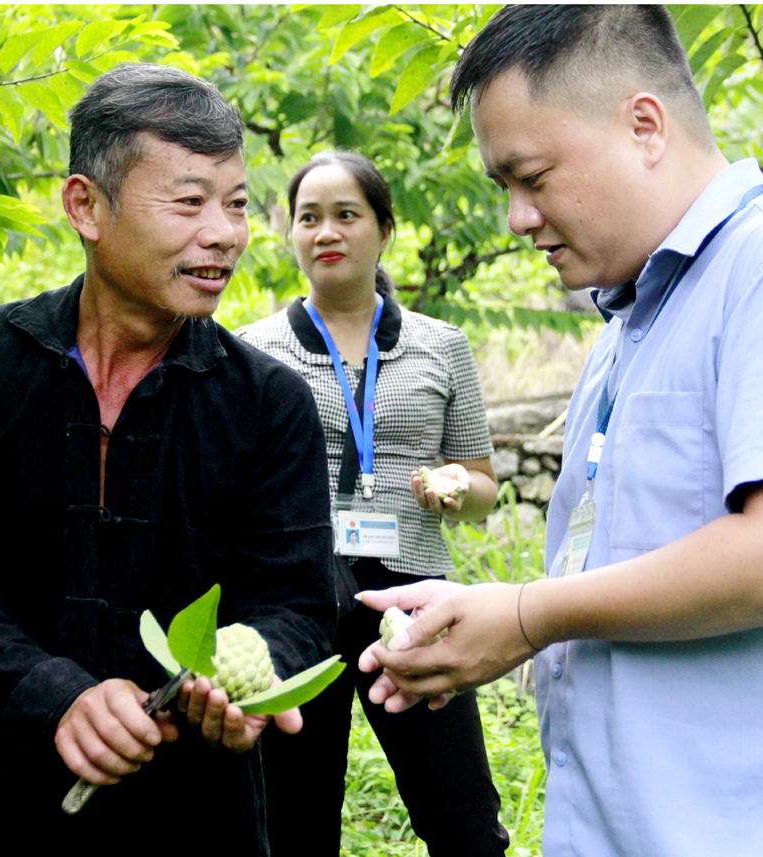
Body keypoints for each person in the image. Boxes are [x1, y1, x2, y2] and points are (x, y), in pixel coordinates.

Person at [358, 6, 763, 856]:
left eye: (533, 175)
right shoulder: (628, 329)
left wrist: (525, 614)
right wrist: (488, 618)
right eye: (503, 188)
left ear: (645, 125)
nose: (517, 217)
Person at [0, 64, 337, 856]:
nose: (225, 232)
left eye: (235, 204)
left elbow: (296, 602)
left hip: (191, 817)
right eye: (189, 201)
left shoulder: (269, 402)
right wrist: (53, 696)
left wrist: (253, 674)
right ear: (85, 204)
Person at [236, 152, 508, 856]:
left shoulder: (441, 346)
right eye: (308, 217)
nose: (326, 231)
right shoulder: (253, 353)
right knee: (295, 818)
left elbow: (483, 488)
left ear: (384, 229)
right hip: (296, 596)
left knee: (462, 815)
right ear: (291, 234)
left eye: (346, 215)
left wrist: (455, 488)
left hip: (414, 595)